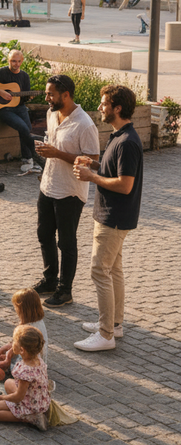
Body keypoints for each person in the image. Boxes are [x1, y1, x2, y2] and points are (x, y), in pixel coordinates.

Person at [73, 85, 143, 352]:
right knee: (113, 270)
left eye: (104, 104)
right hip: (111, 215)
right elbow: (113, 170)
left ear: (118, 108)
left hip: (113, 218)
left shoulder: (127, 142)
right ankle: (114, 324)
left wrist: (92, 177)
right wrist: (94, 165)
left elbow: (125, 185)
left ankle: (105, 334)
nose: (100, 108)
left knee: (99, 271)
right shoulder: (119, 136)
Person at [33, 75, 100, 307]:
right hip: (49, 184)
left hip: (71, 192)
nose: (47, 97)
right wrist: (46, 150)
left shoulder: (84, 124)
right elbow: (54, 144)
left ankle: (65, 290)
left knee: (67, 242)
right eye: (46, 93)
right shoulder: (52, 114)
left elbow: (93, 161)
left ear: (66, 95)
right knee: (43, 234)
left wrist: (58, 154)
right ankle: (50, 280)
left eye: (51, 94)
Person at [0, 49, 41, 174]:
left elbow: (23, 97)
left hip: (19, 107)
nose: (16, 64)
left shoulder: (24, 76)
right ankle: (29, 159)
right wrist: (1, 92)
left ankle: (29, 159)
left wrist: (29, 97)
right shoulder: (2, 72)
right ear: (9, 61)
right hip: (1, 108)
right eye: (13, 61)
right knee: (23, 127)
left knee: (28, 128)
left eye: (18, 61)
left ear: (22, 61)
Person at [0, 326, 50, 432]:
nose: (12, 343)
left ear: (22, 350)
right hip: (38, 398)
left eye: (14, 342)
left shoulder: (25, 371)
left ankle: (30, 418)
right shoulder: (37, 358)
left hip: (29, 406)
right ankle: (32, 413)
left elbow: (18, 397)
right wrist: (10, 354)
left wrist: (1, 398)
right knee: (8, 382)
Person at [0, 288, 48, 374]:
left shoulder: (27, 328)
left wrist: (7, 359)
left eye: (16, 307)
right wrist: (6, 348)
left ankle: (2, 371)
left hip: (27, 363)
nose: (15, 310)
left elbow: (17, 348)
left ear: (22, 310)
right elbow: (18, 344)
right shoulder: (38, 321)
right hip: (34, 358)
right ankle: (0, 365)